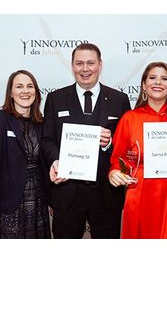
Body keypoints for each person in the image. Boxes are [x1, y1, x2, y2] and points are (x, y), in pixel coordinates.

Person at [41, 43, 131, 238]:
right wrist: (56, 160)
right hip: (67, 192)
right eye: (79, 63)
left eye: (90, 63)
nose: (85, 69)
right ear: (72, 66)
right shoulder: (55, 99)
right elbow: (47, 139)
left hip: (107, 193)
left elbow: (128, 146)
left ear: (100, 65)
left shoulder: (119, 99)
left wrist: (109, 143)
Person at [109, 62, 167, 239]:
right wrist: (115, 172)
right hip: (140, 195)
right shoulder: (130, 119)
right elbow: (120, 160)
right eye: (152, 78)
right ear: (144, 86)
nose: (158, 82)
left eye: (164, 79)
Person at [0, 70, 50, 238]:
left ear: (36, 92)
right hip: (10, 202)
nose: (25, 91)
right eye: (19, 86)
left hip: (38, 198)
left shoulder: (41, 122)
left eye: (30, 86)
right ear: (11, 93)